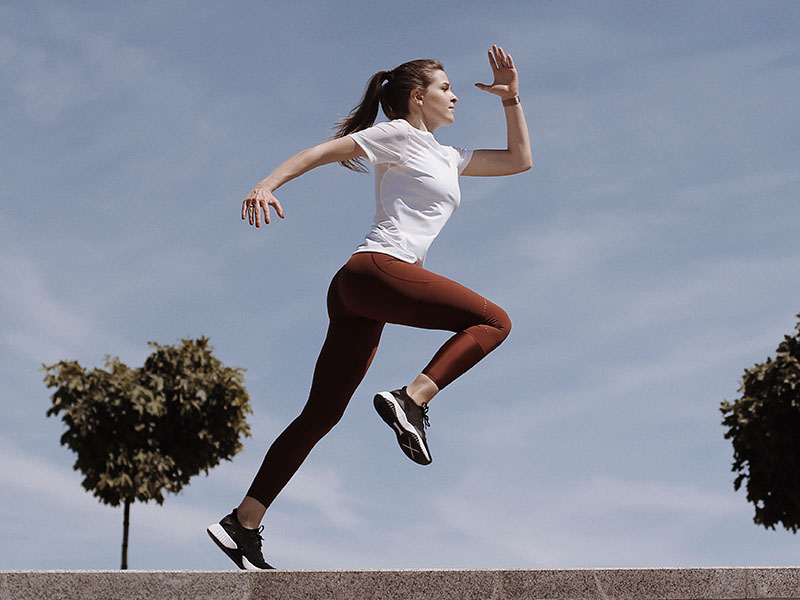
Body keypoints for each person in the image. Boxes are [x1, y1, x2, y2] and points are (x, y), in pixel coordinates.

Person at [207, 44, 532, 570]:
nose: (455, 97)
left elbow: (520, 161)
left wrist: (511, 99)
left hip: (362, 293)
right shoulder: (398, 135)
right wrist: (265, 184)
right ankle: (412, 399)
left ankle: (242, 523)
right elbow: (321, 152)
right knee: (495, 321)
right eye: (446, 88)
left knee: (322, 413)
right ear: (416, 97)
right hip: (376, 269)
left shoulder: (447, 156)